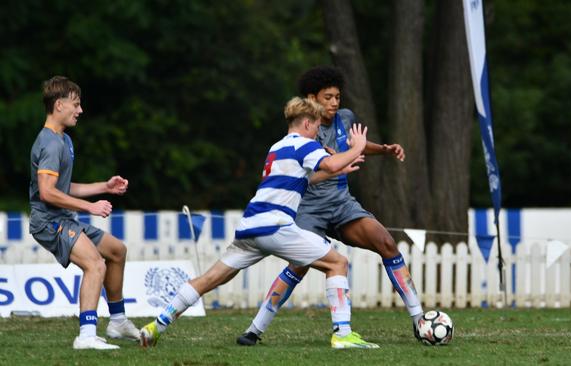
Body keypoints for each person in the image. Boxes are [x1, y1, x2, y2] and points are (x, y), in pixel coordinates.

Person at [139, 97, 379, 349]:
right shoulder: (305, 145)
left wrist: (339, 170)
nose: (319, 131)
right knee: (337, 263)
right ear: (307, 123)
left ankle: (156, 326)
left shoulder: (276, 148)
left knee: (209, 279)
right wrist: (357, 147)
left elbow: (304, 181)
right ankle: (342, 335)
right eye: (318, 125)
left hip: (249, 227)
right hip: (276, 226)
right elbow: (330, 161)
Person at [237, 66, 424, 346]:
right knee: (298, 266)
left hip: (341, 204)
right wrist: (332, 157)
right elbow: (313, 167)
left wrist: (383, 149)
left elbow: (355, 143)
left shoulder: (344, 118)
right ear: (312, 98)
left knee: (386, 242)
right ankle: (255, 329)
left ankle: (419, 320)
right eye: (328, 97)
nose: (335, 102)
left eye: (337, 96)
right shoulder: (303, 130)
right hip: (308, 209)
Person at [29, 76, 140, 350]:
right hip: (48, 222)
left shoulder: (63, 140)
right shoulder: (51, 144)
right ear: (59, 105)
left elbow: (64, 187)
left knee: (116, 251)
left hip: (62, 219)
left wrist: (105, 187)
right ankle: (87, 336)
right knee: (95, 264)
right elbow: (47, 192)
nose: (80, 110)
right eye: (75, 104)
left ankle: (117, 321)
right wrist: (91, 207)